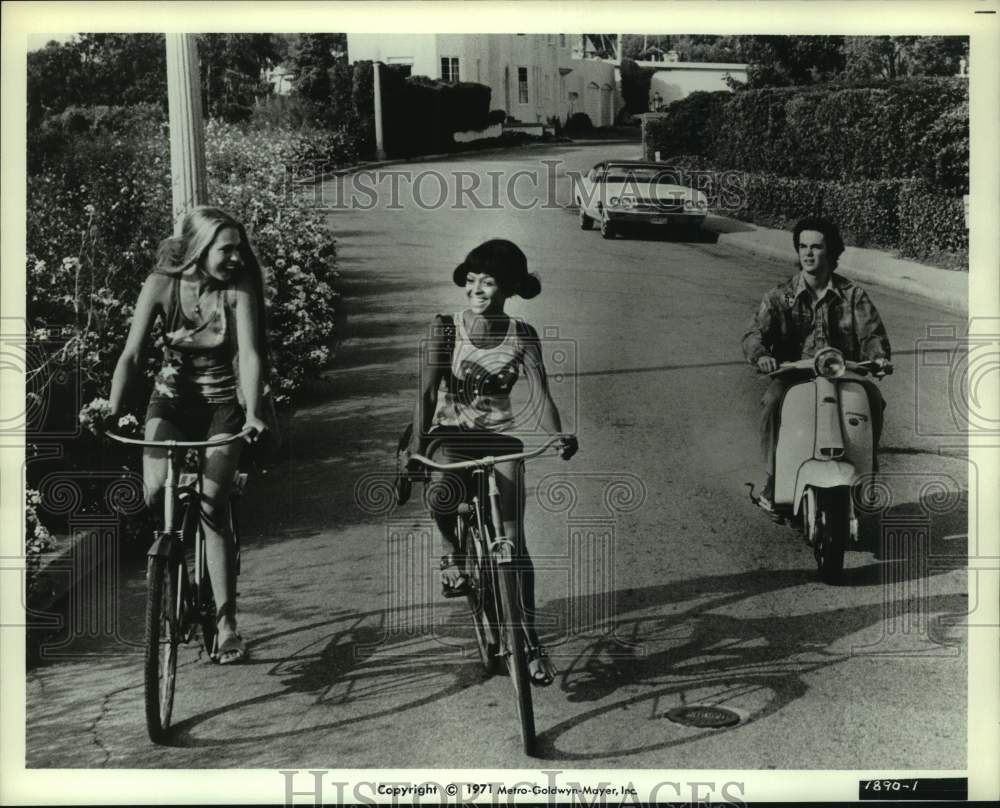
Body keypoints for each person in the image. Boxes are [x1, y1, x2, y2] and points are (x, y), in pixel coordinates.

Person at [405, 239, 578, 687]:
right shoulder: (444, 329)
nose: (477, 289)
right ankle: (452, 552)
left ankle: (529, 641)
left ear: (510, 288)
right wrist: (415, 450)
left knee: (515, 543)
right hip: (449, 434)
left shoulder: (522, 334)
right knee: (442, 492)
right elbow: (425, 395)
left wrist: (558, 435)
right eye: (473, 280)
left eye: (490, 281)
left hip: (500, 439)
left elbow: (540, 395)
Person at [107, 206, 269, 664]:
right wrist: (110, 409)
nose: (237, 258)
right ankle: (173, 569)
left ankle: (227, 623)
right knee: (156, 490)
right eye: (227, 249)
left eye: (240, 249)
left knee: (214, 506)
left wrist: (253, 412)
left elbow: (252, 355)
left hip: (222, 406)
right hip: (172, 401)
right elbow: (132, 355)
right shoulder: (163, 283)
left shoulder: (238, 289)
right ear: (199, 247)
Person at [742, 216, 891, 515]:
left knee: (873, 400)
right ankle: (773, 479)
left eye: (817, 247)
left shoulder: (853, 296)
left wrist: (878, 357)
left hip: (843, 373)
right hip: (794, 374)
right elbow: (754, 334)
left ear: (831, 251)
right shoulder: (779, 296)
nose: (809, 253)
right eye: (803, 247)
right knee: (772, 402)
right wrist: (762, 355)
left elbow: (872, 335)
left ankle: (866, 472)